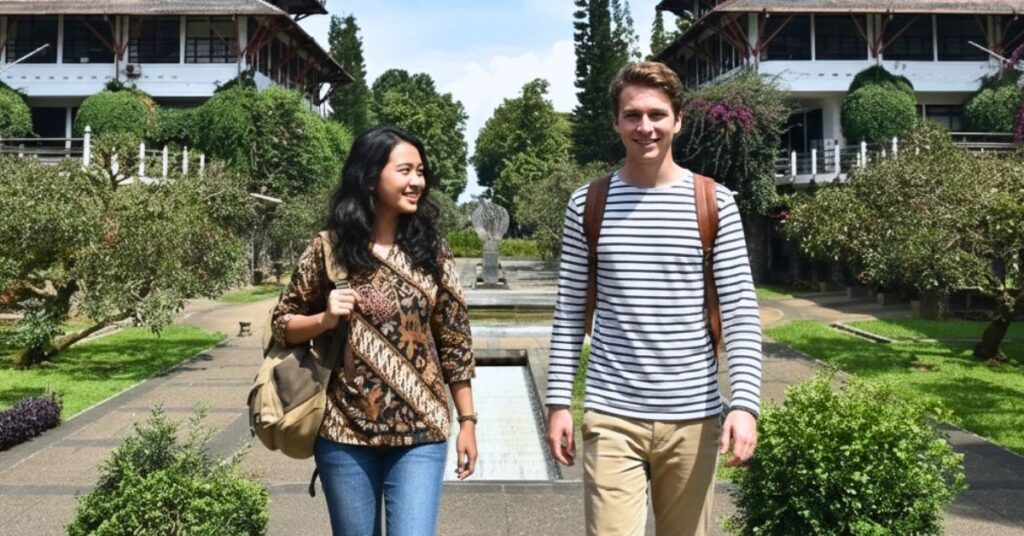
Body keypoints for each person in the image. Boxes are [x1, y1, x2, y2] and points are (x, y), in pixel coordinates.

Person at [544, 61, 762, 536]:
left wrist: (744, 405)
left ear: (678, 119)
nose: (646, 127)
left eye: (657, 115)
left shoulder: (715, 202)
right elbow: (569, 312)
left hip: (694, 416)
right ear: (616, 122)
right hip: (611, 412)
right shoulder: (588, 204)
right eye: (633, 115)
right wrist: (558, 402)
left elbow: (741, 314)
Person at [271, 126, 477, 536]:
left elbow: (455, 341)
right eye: (405, 170)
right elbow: (283, 324)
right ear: (370, 178)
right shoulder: (327, 249)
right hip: (345, 432)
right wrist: (325, 319)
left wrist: (468, 421)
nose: (417, 181)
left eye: (421, 172)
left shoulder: (432, 252)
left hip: (422, 431)